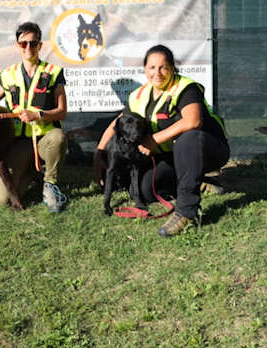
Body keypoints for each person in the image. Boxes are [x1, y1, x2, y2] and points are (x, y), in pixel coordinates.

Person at [95, 45, 229, 237]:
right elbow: (118, 121)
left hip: (209, 148)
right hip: (175, 156)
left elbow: (194, 121)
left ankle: (186, 211)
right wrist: (99, 153)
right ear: (145, 70)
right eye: (152, 67)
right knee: (146, 191)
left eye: (163, 67)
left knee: (188, 137)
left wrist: (154, 140)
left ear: (172, 68)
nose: (157, 73)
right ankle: (199, 181)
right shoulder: (138, 96)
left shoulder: (185, 87)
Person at [0, 22, 69, 212]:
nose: (28, 47)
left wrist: (37, 114)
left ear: (40, 45)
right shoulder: (7, 75)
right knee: (2, 198)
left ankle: (50, 183)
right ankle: (31, 172)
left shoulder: (54, 72)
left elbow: (62, 112)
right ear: (17, 46)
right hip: (18, 142)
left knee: (58, 138)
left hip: (44, 138)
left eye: (33, 43)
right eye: (24, 43)